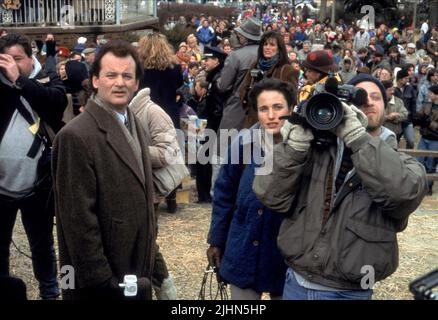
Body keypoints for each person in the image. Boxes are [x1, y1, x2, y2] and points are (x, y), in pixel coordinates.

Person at [253, 73, 428, 300]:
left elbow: (402, 195)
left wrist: (358, 138)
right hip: (296, 283)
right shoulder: (312, 152)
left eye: (375, 97)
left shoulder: (403, 163)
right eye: (360, 97)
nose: (367, 102)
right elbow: (268, 194)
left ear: (386, 108)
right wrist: (293, 148)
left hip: (350, 292)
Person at [52, 40, 156, 300]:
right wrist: (101, 280)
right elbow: (77, 221)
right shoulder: (75, 135)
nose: (119, 82)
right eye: (111, 75)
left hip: (133, 268)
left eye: (127, 76)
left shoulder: (133, 123)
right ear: (96, 81)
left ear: (136, 83)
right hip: (100, 282)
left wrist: (156, 269)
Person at [207, 78, 293, 300]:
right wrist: (217, 239)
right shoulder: (243, 143)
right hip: (244, 247)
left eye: (277, 107)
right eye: (264, 109)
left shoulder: (304, 147)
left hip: (286, 254)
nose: (271, 115)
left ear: (290, 109)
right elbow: (224, 193)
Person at [0, 33, 67, 300]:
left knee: (42, 245)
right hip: (2, 186)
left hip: (38, 184)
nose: (11, 64)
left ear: (31, 58)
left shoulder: (47, 77)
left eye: (18, 59)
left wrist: (20, 80)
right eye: (7, 59)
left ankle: (50, 292)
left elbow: (56, 103)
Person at [212, 17, 262, 193]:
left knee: (221, 152)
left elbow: (223, 85)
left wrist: (216, 78)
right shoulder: (266, 54)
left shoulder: (236, 55)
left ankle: (218, 191)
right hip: (259, 112)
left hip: (235, 109)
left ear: (243, 37)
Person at [138, 32, 183, 213]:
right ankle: (172, 196)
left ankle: (150, 194)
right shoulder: (174, 67)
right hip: (168, 112)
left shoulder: (139, 67)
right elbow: (179, 84)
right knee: (170, 153)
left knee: (147, 152)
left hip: (145, 112)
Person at [239, 30, 298, 128]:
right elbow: (243, 89)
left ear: (279, 48)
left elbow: (292, 99)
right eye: (265, 44)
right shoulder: (255, 65)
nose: (267, 48)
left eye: (272, 45)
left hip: (274, 123)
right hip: (252, 120)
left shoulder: (287, 69)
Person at [414, 84, 438, 195]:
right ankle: (419, 187)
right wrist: (419, 119)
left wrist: (428, 123)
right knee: (419, 162)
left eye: (431, 93)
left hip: (435, 140)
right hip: (424, 137)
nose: (429, 94)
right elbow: (419, 116)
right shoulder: (427, 105)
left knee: (431, 164)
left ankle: (428, 188)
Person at [394, 68, 416, 149]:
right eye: (406, 78)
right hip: (396, 122)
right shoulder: (393, 89)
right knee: (394, 142)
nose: (408, 80)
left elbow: (413, 104)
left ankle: (408, 158)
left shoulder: (410, 88)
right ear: (399, 79)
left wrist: (413, 118)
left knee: (411, 141)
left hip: (408, 120)